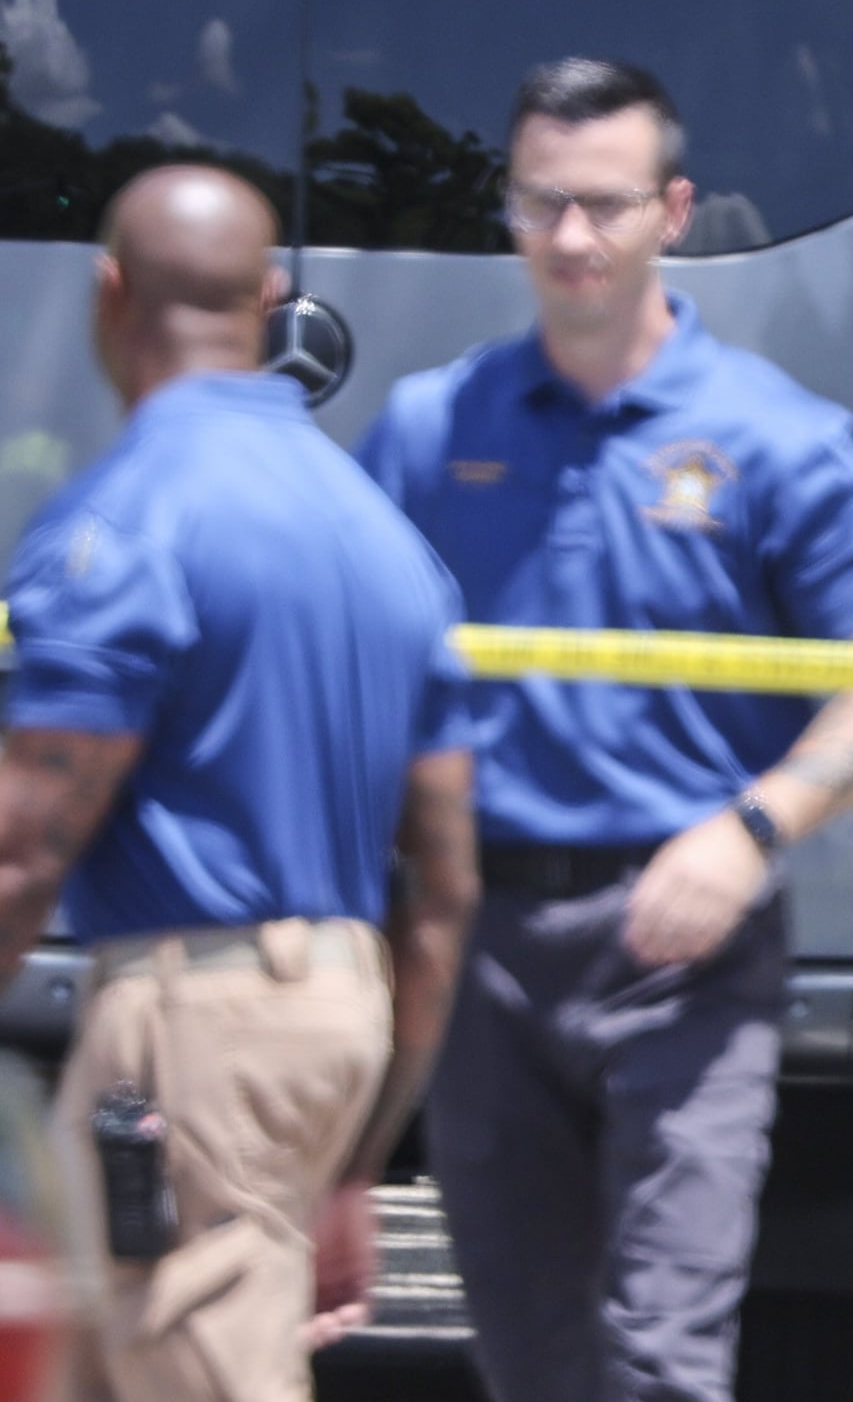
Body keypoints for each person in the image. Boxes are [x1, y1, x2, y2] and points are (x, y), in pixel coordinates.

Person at [357, 60, 853, 1402]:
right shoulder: (430, 432)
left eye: (607, 206)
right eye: (543, 204)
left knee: (662, 1355)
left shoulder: (774, 440)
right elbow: (341, 663)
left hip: (685, 954)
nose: (572, 239)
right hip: (482, 953)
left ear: (674, 211)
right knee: (532, 1363)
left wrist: (751, 833)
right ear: (508, 208)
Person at [0, 165, 480, 1402]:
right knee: (97, 1371)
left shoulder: (124, 520)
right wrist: (358, 1156)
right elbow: (445, 883)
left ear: (111, 293)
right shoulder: (382, 537)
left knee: (192, 1369)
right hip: (335, 1010)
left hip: (187, 1023)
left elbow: (26, 844)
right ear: (270, 300)